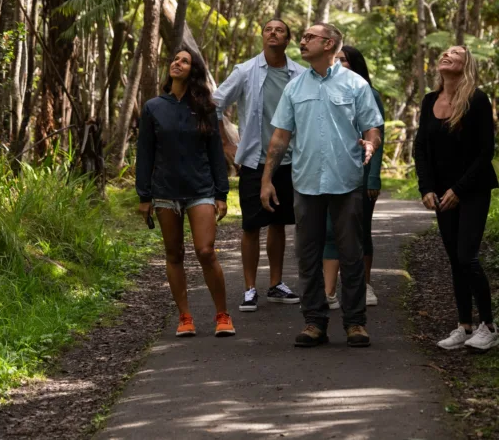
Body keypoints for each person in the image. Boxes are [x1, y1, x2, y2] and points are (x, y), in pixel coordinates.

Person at [260, 23, 383, 348]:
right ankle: (314, 322)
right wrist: (267, 179)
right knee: (307, 255)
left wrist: (370, 145)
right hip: (306, 183)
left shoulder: (356, 85)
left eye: (309, 37)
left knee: (351, 254)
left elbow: (373, 128)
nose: (302, 41)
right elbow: (280, 137)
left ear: (328, 43)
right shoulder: (295, 87)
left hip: (346, 184)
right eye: (302, 37)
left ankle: (356, 323)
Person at [137, 47, 235, 338]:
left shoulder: (205, 107)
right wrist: (144, 196)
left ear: (193, 70)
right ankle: (185, 317)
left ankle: (222, 314)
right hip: (165, 190)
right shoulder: (153, 107)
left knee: (205, 251)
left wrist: (221, 193)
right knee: (174, 253)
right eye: (175, 59)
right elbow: (145, 153)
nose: (177, 63)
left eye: (184, 61)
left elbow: (216, 151)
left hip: (200, 188)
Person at [213, 18, 304, 312]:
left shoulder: (299, 74)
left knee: (279, 223)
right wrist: (227, 144)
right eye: (268, 29)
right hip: (254, 160)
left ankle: (276, 284)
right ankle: (250, 288)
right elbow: (214, 103)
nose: (273, 33)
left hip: (289, 160)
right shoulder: (246, 71)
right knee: (252, 225)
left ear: (288, 39)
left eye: (279, 30)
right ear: (262, 37)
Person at [414, 45, 499, 351]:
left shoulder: (476, 100)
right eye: (445, 52)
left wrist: (458, 190)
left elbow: (485, 152)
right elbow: (421, 148)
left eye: (456, 53)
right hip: (441, 194)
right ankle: (464, 326)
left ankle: (489, 326)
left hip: (473, 189)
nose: (447, 55)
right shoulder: (428, 102)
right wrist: (426, 188)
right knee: (455, 261)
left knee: (467, 256)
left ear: (466, 65)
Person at [322, 46, 385, 310]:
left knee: (360, 231)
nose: (337, 64)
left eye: (342, 60)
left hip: (361, 175)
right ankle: (329, 292)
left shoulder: (369, 93)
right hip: (331, 175)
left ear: (355, 64)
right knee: (329, 231)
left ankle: (365, 284)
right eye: (334, 60)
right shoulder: (327, 91)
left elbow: (377, 135)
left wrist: (373, 178)